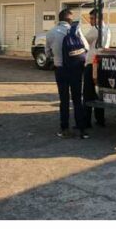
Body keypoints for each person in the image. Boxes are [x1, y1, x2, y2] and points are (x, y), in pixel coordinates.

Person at [45, 8, 90, 139]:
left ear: (59, 19)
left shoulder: (51, 33)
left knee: (63, 100)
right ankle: (82, 130)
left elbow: (47, 53)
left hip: (60, 70)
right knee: (77, 99)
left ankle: (64, 129)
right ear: (70, 20)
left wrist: (57, 56)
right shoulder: (76, 30)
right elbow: (86, 47)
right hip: (76, 69)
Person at [83, 8, 111, 128]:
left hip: (91, 64)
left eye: (93, 18)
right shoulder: (107, 29)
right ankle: (100, 119)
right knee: (99, 93)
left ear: (99, 18)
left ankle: (86, 121)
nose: (91, 20)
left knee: (88, 94)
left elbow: (84, 42)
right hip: (102, 63)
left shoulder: (96, 29)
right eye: (90, 18)